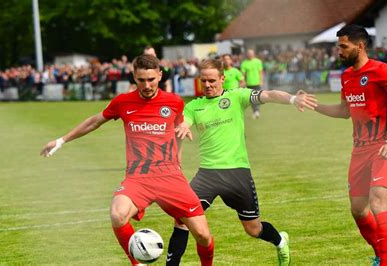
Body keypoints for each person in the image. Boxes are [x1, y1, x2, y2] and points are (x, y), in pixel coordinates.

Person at [40, 54, 214, 266]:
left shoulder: (174, 102)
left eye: (151, 79)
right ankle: (138, 263)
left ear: (159, 76)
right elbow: (95, 122)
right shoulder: (123, 102)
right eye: (141, 80)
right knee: (117, 214)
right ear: (134, 77)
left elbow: (179, 131)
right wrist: (61, 140)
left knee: (204, 236)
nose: (147, 85)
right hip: (138, 178)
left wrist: (177, 161)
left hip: (171, 178)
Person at [165, 58, 318, 266]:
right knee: (182, 219)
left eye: (212, 80)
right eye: (203, 81)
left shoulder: (237, 96)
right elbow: (185, 121)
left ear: (222, 78)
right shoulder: (194, 106)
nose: (208, 85)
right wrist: (183, 126)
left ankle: (280, 241)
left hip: (237, 174)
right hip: (207, 175)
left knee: (253, 229)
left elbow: (270, 94)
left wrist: (292, 99)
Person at [313, 25, 387, 266]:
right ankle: (384, 251)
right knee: (358, 210)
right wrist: (314, 105)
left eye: (343, 46)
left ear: (360, 46)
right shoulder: (347, 76)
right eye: (338, 46)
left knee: (378, 201)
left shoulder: (382, 71)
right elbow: (343, 111)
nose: (338, 51)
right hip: (359, 150)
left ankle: (383, 262)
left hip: (384, 146)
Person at [240, 49, 264, 119]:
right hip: (249, 83)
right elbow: (243, 74)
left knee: (257, 97)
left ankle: (256, 111)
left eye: (251, 53)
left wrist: (261, 80)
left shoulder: (258, 61)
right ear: (247, 54)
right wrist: (243, 82)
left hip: (257, 83)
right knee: (251, 98)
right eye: (249, 53)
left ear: (254, 54)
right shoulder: (244, 63)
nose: (250, 54)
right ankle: (255, 111)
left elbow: (261, 72)